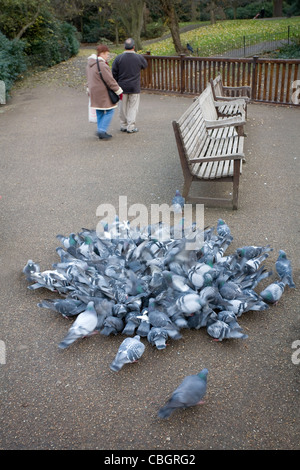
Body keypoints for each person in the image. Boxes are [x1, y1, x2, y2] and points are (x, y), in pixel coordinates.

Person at [86, 44, 123, 140]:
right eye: (107, 54)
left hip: (94, 92)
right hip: (103, 92)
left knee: (99, 111)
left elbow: (89, 79)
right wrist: (119, 91)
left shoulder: (90, 64)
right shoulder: (102, 65)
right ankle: (101, 130)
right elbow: (110, 80)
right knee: (110, 110)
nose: (107, 57)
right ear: (101, 54)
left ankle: (100, 130)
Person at [112, 38, 148, 133]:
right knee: (133, 107)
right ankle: (130, 127)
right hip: (134, 86)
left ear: (124, 47)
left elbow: (114, 73)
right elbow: (145, 65)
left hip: (121, 87)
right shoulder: (138, 57)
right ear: (134, 47)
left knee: (122, 107)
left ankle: (123, 125)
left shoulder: (118, 58)